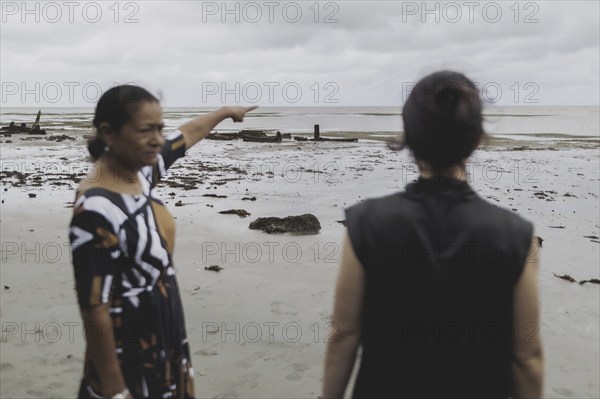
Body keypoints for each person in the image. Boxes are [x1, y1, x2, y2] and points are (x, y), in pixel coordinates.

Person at [321, 71, 543, 398]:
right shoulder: (516, 237)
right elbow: (526, 357)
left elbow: (344, 335)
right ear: (477, 138)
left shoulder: (366, 224)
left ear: (409, 137)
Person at [69, 84, 255, 399]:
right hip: (127, 347)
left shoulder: (139, 172)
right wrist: (115, 389)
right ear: (109, 133)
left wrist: (225, 112)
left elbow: (185, 136)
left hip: (162, 328)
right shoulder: (95, 207)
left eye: (159, 128)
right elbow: (93, 307)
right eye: (145, 130)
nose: (157, 139)